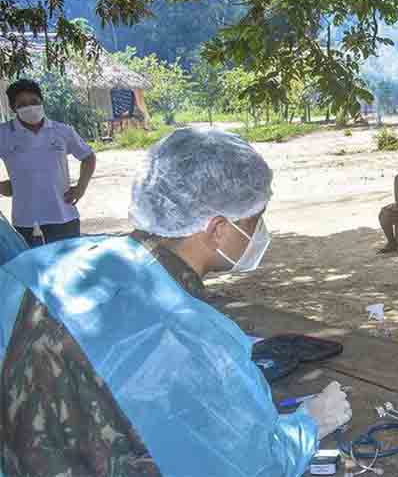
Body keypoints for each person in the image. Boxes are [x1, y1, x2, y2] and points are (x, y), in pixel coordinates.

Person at [0, 129, 351, 476]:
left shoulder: (36, 267)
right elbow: (254, 465)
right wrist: (311, 424)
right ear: (217, 230)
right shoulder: (195, 337)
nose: (260, 233)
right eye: (254, 220)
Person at [0, 79, 97, 246]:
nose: (30, 107)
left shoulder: (62, 131)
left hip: (64, 217)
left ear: (41, 102)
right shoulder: (4, 134)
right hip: (26, 221)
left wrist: (81, 188)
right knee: (33, 270)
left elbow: (88, 157)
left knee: (68, 267)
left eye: (34, 102)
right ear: (13, 108)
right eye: (22, 104)